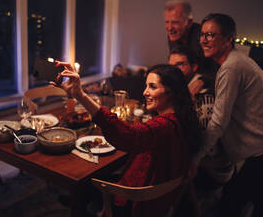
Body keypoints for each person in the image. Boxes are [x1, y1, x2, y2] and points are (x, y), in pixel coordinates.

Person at [53, 62, 200, 217]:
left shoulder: (164, 126)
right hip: (162, 198)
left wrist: (81, 95)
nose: (145, 92)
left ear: (171, 92)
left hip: (138, 205)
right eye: (146, 86)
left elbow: (128, 135)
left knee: (83, 184)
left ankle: (80, 204)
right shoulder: (183, 118)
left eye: (152, 87)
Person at [195, 13, 263, 217]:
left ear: (228, 38)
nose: (203, 40)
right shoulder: (235, 61)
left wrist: (196, 156)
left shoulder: (232, 67)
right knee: (262, 202)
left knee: (230, 202)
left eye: (211, 35)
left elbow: (219, 122)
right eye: (202, 34)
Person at [168, 46, 234, 217]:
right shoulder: (183, 89)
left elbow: (209, 148)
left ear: (194, 67)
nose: (173, 71)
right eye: (171, 66)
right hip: (202, 162)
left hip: (212, 169)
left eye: (180, 65)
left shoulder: (204, 96)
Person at [164, 0, 219, 94]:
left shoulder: (204, 38)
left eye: (175, 22)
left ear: (189, 22)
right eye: (167, 22)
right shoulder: (174, 35)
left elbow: (221, 68)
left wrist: (202, 80)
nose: (169, 28)